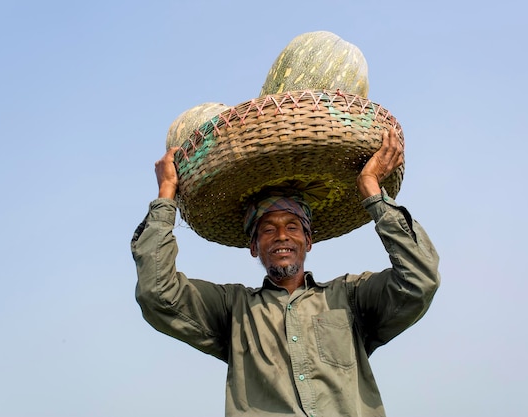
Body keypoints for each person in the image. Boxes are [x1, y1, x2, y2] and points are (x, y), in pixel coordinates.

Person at [131, 128, 440, 417]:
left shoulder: (350, 298)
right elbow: (157, 294)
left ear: (308, 241)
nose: (281, 235)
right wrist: (166, 195)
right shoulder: (234, 310)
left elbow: (419, 279)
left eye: (292, 226)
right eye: (267, 229)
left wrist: (372, 191)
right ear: (253, 246)